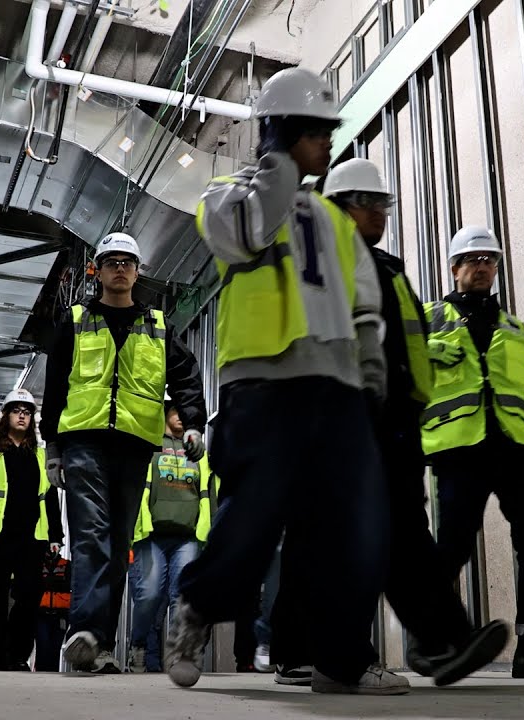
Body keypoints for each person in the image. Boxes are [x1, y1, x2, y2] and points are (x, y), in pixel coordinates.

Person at [164, 67, 407, 695]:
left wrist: (372, 370)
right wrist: (277, 167)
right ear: (285, 131)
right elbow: (246, 233)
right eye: (317, 132)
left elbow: (362, 301)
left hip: (336, 390)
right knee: (254, 523)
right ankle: (194, 606)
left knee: (358, 525)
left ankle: (341, 658)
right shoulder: (224, 195)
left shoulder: (331, 220)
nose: (329, 144)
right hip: (263, 387)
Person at [268, 158, 511, 687]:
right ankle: (322, 654)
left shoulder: (389, 270)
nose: (380, 212)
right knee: (333, 540)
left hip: (394, 423)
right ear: (339, 207)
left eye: (383, 203)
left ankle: (443, 642)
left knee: (402, 535)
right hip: (341, 419)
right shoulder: (318, 267)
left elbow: (406, 348)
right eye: (369, 203)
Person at [41, 232, 208, 673]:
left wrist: (192, 424)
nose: (120, 268)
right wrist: (52, 446)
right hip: (84, 440)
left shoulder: (157, 325)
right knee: (92, 536)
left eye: (127, 262)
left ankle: (98, 647)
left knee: (117, 548)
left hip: (135, 447)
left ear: (138, 272)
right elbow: (55, 385)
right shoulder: (76, 320)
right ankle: (87, 632)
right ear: (97, 270)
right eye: (111, 261)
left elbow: (187, 376)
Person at [420, 226, 524, 680]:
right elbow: (397, 366)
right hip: (458, 448)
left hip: (514, 448)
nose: (483, 267)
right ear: (454, 269)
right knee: (451, 546)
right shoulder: (429, 317)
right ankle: (434, 638)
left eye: (490, 259)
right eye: (473, 260)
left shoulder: (512, 327)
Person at [0, 389, 63, 671]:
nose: (22, 415)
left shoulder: (41, 457)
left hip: (32, 539)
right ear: (6, 416)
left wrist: (56, 536)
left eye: (27, 412)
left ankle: (17, 657)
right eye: (16, 410)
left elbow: (50, 499)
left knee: (29, 599)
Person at [126, 403, 218, 673]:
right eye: (175, 410)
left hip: (188, 536)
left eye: (184, 412)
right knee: (149, 594)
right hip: (150, 533)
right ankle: (138, 647)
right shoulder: (150, 443)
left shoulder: (199, 452)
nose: (180, 416)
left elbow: (209, 493)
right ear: (165, 413)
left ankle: (182, 654)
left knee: (183, 598)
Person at [33, 553, 71, 672]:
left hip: (61, 613)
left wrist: (50, 584)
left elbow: (71, 585)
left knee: (55, 647)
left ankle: (52, 673)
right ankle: (40, 671)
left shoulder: (66, 565)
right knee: (42, 645)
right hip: (41, 613)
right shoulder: (38, 564)